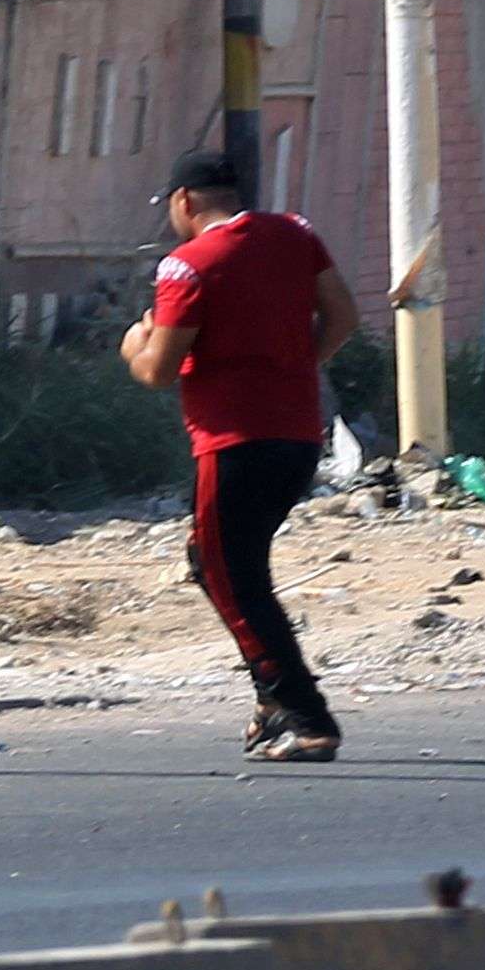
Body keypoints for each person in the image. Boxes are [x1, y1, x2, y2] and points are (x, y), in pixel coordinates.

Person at [122, 151, 359, 763]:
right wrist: (296, 366)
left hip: (233, 442)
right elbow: (343, 317)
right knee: (217, 561)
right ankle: (270, 696)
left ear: (184, 202)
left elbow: (157, 372)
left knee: (233, 575)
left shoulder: (186, 267)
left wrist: (135, 344)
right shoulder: (295, 234)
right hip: (300, 437)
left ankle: (308, 717)